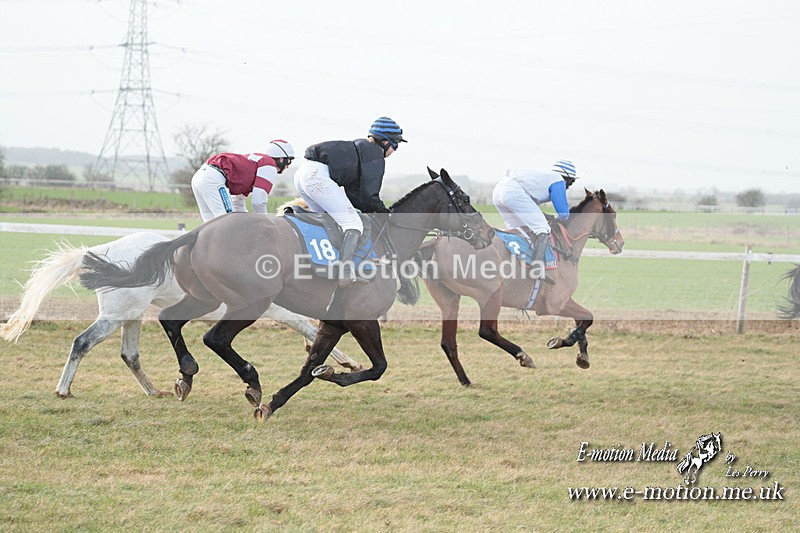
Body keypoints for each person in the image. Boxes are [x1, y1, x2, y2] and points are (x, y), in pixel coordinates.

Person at [294, 117, 405, 287]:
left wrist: (370, 209)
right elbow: (370, 195)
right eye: (395, 144)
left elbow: (355, 195)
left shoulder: (361, 151)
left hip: (303, 174)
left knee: (330, 220)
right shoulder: (375, 155)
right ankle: (345, 272)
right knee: (353, 224)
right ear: (384, 142)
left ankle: (323, 264)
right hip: (317, 177)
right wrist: (384, 213)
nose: (395, 150)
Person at [492, 159, 579, 284]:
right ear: (567, 178)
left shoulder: (545, 178)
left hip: (499, 191)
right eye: (571, 182)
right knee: (543, 229)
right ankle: (537, 268)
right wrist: (556, 220)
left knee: (521, 230)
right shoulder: (558, 179)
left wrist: (546, 217)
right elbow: (564, 214)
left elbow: (530, 207)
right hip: (512, 192)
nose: (569, 186)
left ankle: (516, 266)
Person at [191, 139, 295, 222]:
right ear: (281, 159)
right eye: (289, 160)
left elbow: (238, 202)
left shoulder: (253, 165)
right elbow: (259, 202)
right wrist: (266, 223)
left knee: (210, 227)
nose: (288, 165)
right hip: (214, 179)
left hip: (200, 176)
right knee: (226, 225)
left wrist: (246, 222)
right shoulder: (269, 165)